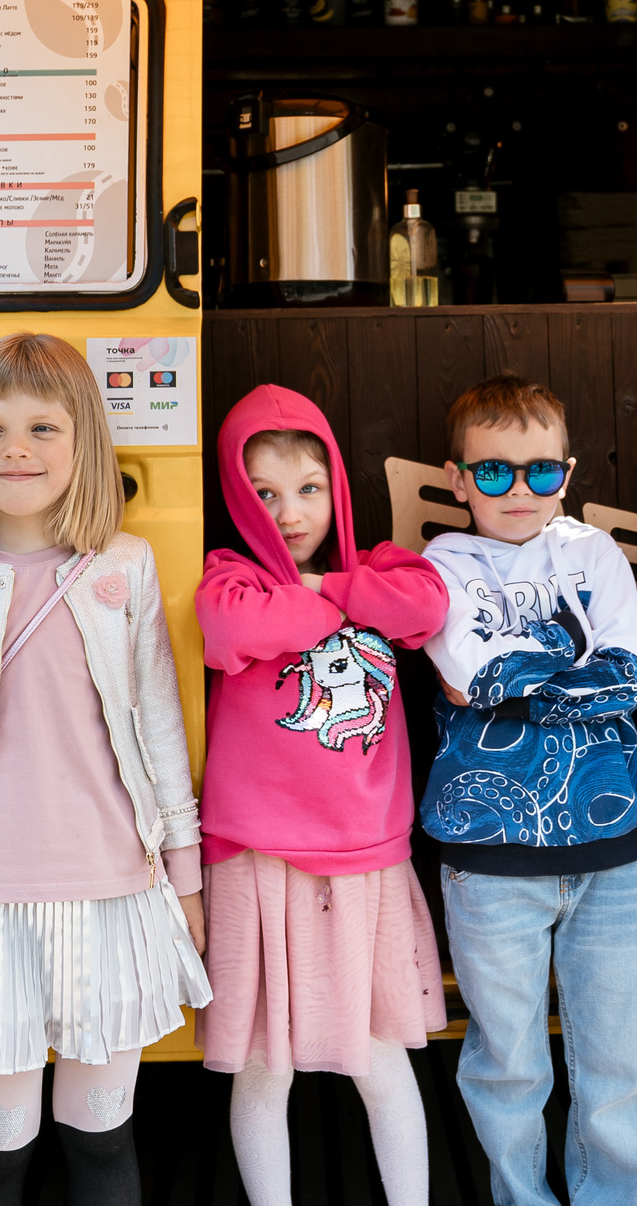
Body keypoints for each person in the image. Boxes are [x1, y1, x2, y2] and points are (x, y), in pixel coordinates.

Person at [0, 331, 211, 1206]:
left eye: (41, 428)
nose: (15, 449)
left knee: (102, 1138)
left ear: (84, 441)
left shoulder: (124, 566)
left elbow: (160, 729)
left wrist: (185, 873)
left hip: (113, 893)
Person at [196, 385, 450, 1206]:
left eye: (307, 487)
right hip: (257, 857)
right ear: (237, 497)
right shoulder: (228, 577)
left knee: (380, 1058)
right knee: (265, 1067)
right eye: (263, 492)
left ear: (335, 484)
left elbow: (425, 605)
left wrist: (326, 587)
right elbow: (234, 631)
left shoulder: (379, 567)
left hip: (363, 859)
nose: (289, 510)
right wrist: (331, 599)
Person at [419, 375, 637, 1206]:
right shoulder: (438, 566)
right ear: (457, 478)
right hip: (489, 856)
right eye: (493, 472)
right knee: (509, 1059)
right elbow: (462, 674)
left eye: (540, 471)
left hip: (610, 847)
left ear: (568, 471)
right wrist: (555, 675)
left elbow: (625, 679)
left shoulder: (595, 554)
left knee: (620, 1061)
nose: (518, 490)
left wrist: (510, 686)